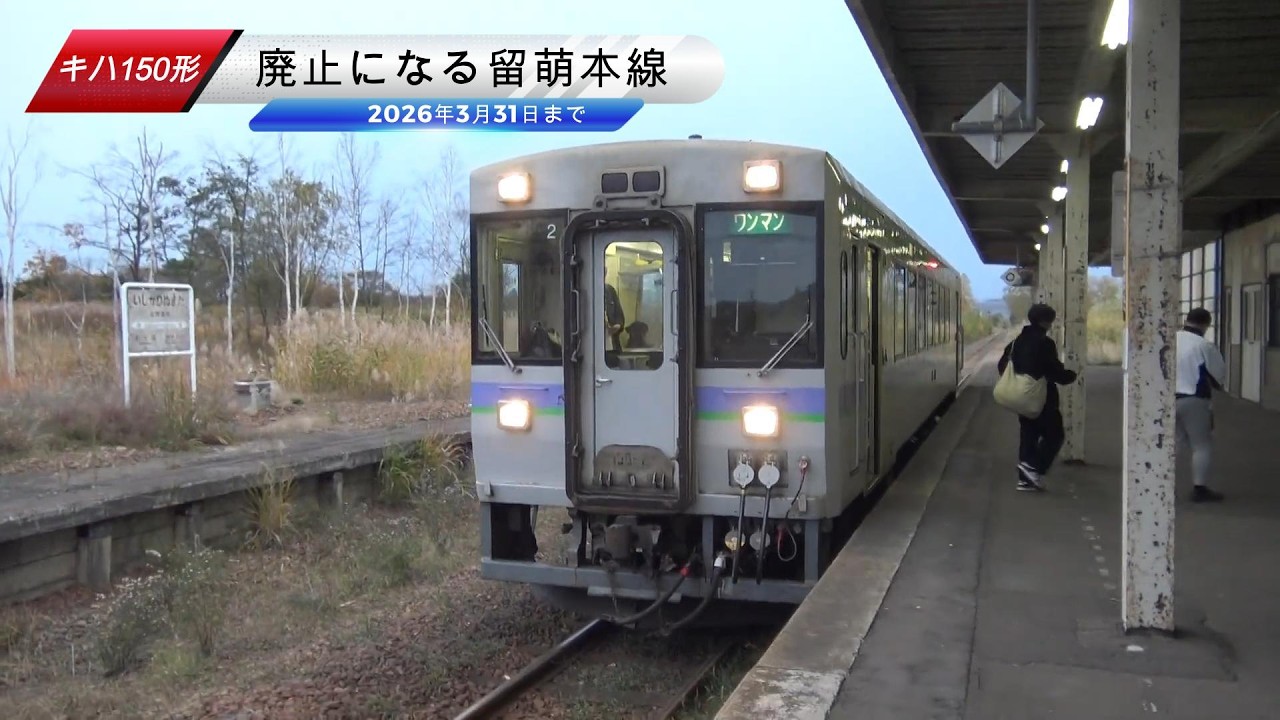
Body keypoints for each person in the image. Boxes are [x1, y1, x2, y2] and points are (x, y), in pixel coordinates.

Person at [997, 303, 1078, 492]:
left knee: (1029, 435)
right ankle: (1034, 467)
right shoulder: (1045, 343)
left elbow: (1002, 365)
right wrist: (1070, 376)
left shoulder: (1017, 341)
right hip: (1042, 399)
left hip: (1021, 397)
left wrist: (1019, 381)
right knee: (1055, 435)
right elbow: (1054, 372)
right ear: (1046, 322)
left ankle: (1025, 481)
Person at [1175, 307, 1226, 503]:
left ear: (1186, 320)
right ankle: (1199, 488)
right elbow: (1218, 378)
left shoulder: (1170, 339)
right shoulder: (1204, 345)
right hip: (1194, 398)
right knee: (1201, 445)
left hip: (1167, 398)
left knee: (1174, 443)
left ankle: (1163, 485)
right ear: (1206, 324)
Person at [603, 266, 626, 352]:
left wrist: (617, 326)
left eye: (604, 274)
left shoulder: (609, 290)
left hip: (612, 342)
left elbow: (620, 316)